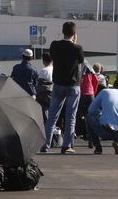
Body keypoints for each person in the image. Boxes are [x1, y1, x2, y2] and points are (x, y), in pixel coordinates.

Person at [41, 21, 85, 154]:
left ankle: (45, 144)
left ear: (63, 31)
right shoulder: (78, 48)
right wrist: (74, 41)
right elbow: (81, 61)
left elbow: (53, 56)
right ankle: (66, 146)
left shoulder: (54, 45)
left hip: (58, 84)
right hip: (73, 85)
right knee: (70, 116)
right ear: (74, 33)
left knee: (52, 116)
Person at [87, 86, 118, 155]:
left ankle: (97, 147)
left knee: (89, 117)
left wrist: (101, 113)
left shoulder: (105, 91)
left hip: (104, 130)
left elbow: (91, 110)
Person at [76, 62, 99, 143]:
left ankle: (81, 132)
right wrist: (94, 91)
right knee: (91, 114)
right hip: (90, 93)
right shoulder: (91, 70)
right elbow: (96, 81)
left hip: (81, 93)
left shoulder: (78, 69)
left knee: (78, 114)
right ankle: (91, 137)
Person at [36, 52, 53, 123]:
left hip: (45, 97)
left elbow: (39, 85)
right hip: (54, 95)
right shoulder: (55, 70)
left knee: (46, 115)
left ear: (43, 61)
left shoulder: (43, 71)